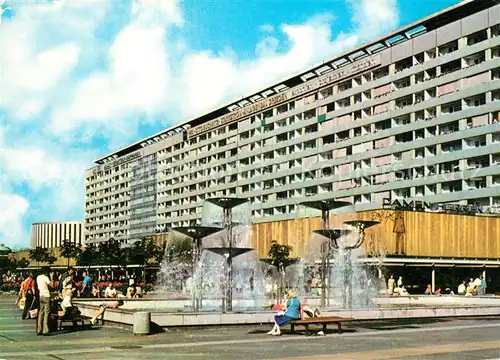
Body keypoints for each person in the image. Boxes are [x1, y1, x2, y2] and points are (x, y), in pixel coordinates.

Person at [36, 267, 55, 336]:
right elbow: (52, 285)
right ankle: (45, 330)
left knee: (41, 312)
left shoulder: (38, 277)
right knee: (46, 313)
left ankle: (39, 329)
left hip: (41, 295)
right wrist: (51, 277)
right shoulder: (45, 277)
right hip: (46, 295)